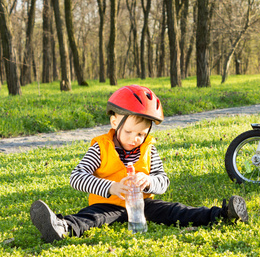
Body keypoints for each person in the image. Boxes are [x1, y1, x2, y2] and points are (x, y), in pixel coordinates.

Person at [30, 85, 248, 243]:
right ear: (115, 122)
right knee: (91, 218)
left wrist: (149, 182)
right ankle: (62, 228)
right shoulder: (100, 147)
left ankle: (222, 214)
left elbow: (163, 181)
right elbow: (77, 177)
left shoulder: (149, 149)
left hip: (143, 205)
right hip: (108, 205)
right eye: (129, 132)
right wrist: (111, 187)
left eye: (142, 133)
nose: (135, 138)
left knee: (175, 211)